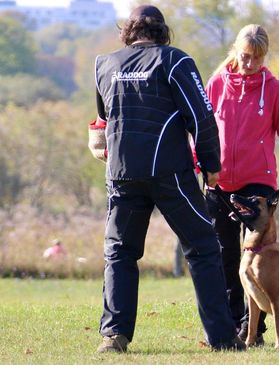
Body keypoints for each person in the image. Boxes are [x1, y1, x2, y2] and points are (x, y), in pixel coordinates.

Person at [93, 5, 244, 353]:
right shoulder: (175, 60)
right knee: (204, 248)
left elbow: (103, 117)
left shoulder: (104, 64)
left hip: (121, 174)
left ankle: (114, 336)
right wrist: (211, 164)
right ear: (162, 31)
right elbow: (202, 116)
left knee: (119, 253)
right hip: (169, 173)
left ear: (127, 31)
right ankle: (222, 337)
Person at [205, 24, 279, 343]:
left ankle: (253, 329)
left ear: (264, 56)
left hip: (258, 189)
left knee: (259, 262)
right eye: (245, 56)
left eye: (257, 58)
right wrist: (202, 166)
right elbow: (200, 132)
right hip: (219, 185)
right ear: (236, 52)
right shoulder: (216, 84)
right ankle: (231, 327)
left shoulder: (274, 89)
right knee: (225, 258)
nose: (251, 63)